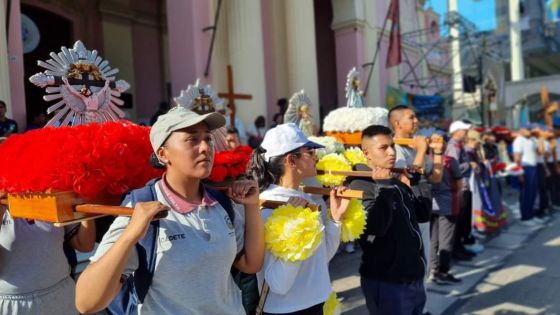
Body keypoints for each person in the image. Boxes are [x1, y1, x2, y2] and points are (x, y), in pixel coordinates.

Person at [76, 107, 265, 314]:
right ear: (162, 154)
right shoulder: (142, 208)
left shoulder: (221, 203)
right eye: (192, 140)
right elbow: (86, 303)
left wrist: (252, 206)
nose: (205, 148)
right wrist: (131, 234)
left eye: (208, 139)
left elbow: (249, 264)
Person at [248, 123, 351, 315]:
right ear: (291, 160)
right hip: (286, 310)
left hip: (315, 303)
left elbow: (321, 258)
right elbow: (278, 284)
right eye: (310, 152)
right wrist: (295, 228)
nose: (316, 157)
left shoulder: (304, 199)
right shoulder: (267, 206)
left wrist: (335, 220)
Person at [347, 125, 430, 315]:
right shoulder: (359, 184)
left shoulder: (393, 180)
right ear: (366, 153)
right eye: (383, 148)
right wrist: (383, 188)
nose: (391, 152)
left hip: (413, 276)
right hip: (388, 282)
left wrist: (416, 183)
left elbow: (422, 215)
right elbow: (375, 227)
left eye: (392, 145)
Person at [0, 192, 96, 314]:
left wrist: (86, 207)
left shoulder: (49, 192)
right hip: (12, 305)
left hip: (60, 294)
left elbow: (84, 245)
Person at [388, 105, 444, 314]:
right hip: (407, 219)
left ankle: (421, 308)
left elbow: (435, 177)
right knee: (412, 265)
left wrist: (436, 151)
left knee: (424, 264)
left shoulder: (414, 145)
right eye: (411, 117)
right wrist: (421, 150)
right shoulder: (395, 148)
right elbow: (406, 181)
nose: (416, 121)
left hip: (422, 213)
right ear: (397, 123)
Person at [445, 121, 475, 261]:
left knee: (463, 220)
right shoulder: (453, 146)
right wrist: (469, 164)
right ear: (457, 131)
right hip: (459, 187)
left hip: (464, 186)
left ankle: (460, 247)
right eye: (465, 130)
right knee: (458, 221)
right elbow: (453, 166)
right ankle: (455, 250)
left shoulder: (458, 145)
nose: (467, 133)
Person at [512, 124, 545, 225]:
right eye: (527, 129)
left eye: (530, 129)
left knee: (533, 192)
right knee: (526, 193)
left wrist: (540, 139)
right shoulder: (518, 140)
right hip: (525, 168)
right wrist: (519, 173)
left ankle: (531, 214)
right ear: (521, 130)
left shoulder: (532, 140)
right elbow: (517, 158)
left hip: (533, 167)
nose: (529, 131)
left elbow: (540, 152)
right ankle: (525, 217)